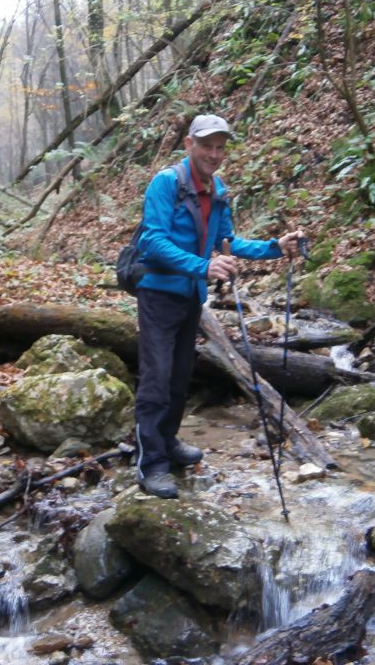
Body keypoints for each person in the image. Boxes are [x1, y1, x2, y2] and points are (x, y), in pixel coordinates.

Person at [133, 113, 304, 498]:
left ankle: (169, 441)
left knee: (179, 377)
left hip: (190, 296)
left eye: (220, 147)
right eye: (207, 145)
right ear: (189, 145)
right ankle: (151, 464)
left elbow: (227, 240)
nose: (214, 154)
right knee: (156, 379)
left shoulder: (219, 188)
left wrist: (274, 247)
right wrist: (203, 266)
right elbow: (152, 242)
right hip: (158, 294)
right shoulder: (166, 183)